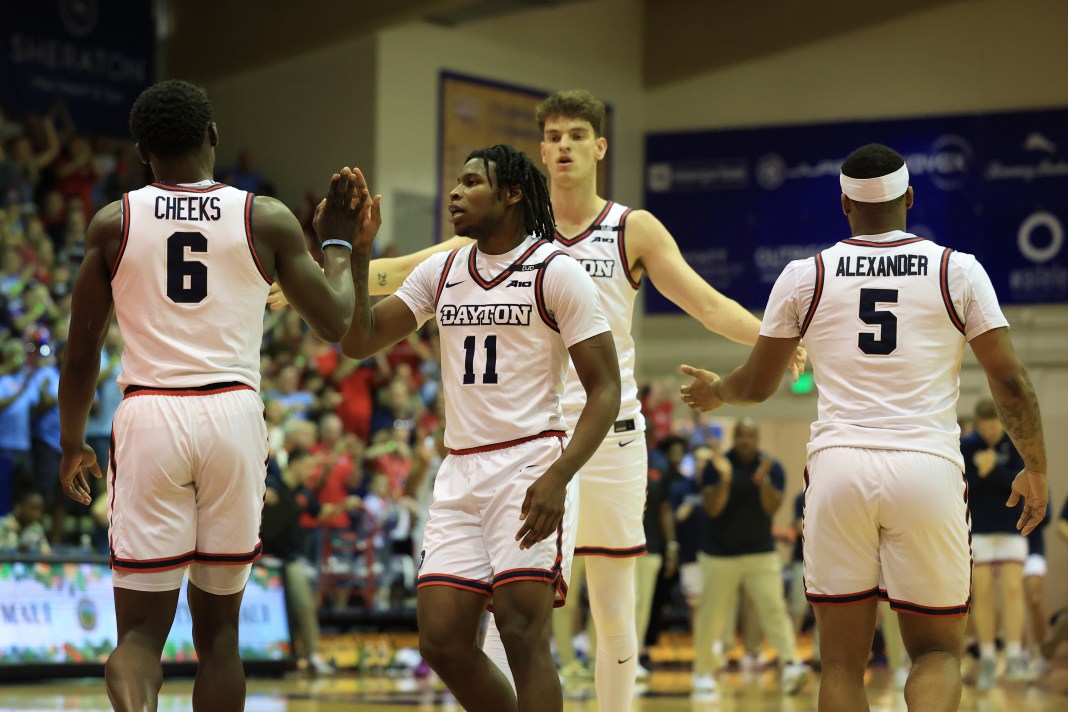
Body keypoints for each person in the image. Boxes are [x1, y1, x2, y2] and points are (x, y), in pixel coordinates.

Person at [679, 143, 1048, 712]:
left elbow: (757, 383)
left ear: (844, 205)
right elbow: (1012, 383)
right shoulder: (958, 269)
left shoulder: (807, 276)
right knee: (936, 654)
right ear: (910, 197)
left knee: (842, 665)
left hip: (839, 469)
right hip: (926, 467)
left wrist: (718, 390)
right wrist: (1037, 467)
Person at [57, 79, 361, 712]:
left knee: (139, 634)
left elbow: (81, 350)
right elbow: (335, 322)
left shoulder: (115, 222)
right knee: (220, 637)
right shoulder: (265, 216)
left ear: (142, 151)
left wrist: (69, 443)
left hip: (149, 416)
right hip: (232, 415)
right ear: (213, 137)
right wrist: (336, 242)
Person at [337, 143, 620, 712]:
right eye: (455, 182)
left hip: (530, 462)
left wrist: (560, 477)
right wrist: (360, 252)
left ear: (512, 193)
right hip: (460, 469)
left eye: (471, 182)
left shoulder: (556, 271)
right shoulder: (441, 270)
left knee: (522, 636)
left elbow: (605, 390)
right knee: (441, 640)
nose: (455, 192)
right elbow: (358, 340)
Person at [690, 419, 809, 694]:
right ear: (735, 436)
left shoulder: (772, 467)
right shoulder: (717, 466)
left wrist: (763, 480)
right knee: (710, 615)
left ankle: (790, 665)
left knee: (774, 609)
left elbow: (772, 507)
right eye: (741, 435)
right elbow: (712, 509)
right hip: (719, 554)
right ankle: (702, 673)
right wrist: (726, 479)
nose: (745, 440)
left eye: (750, 436)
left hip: (760, 552)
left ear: (757, 438)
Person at [961, 397, 1029, 688]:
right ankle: (988, 656)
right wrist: (982, 473)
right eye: (985, 427)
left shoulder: (1015, 442)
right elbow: (962, 486)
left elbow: (1021, 483)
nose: (990, 432)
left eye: (994, 426)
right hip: (979, 529)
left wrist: (995, 471)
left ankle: (1014, 653)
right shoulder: (966, 445)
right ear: (978, 425)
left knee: (1013, 589)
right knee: (983, 593)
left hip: (1012, 527)